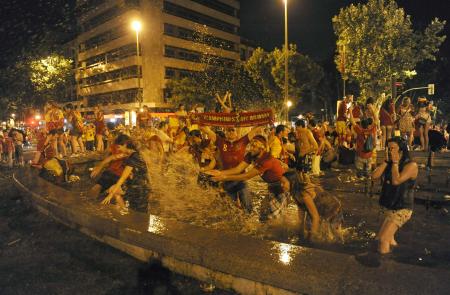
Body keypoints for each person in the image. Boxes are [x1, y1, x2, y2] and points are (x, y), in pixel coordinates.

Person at [208, 135, 290, 218]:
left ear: (262, 148)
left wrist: (224, 177)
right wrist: (220, 173)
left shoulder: (267, 160)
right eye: (251, 145)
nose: (251, 148)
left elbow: (246, 176)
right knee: (263, 216)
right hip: (272, 188)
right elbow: (238, 169)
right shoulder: (251, 155)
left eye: (254, 145)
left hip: (283, 188)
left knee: (272, 219)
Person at [201, 125, 264, 213]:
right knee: (231, 211)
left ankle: (249, 225)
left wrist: (264, 119)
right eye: (228, 130)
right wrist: (201, 123)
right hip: (227, 181)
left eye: (232, 130)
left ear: (236, 133)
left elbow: (255, 129)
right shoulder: (220, 142)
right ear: (226, 132)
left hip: (240, 179)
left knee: (248, 207)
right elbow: (207, 130)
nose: (230, 132)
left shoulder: (242, 141)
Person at [372, 137, 418, 254]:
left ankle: (385, 266)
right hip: (390, 205)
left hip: (402, 207)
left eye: (392, 148)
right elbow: (374, 176)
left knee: (383, 240)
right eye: (388, 148)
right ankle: (396, 254)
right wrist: (386, 162)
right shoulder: (390, 163)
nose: (389, 151)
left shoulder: (411, 165)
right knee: (383, 238)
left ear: (401, 150)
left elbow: (396, 181)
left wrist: (396, 163)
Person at [101, 135, 150, 213]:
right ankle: (125, 211)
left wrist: (110, 196)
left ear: (125, 145)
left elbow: (123, 177)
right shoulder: (132, 154)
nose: (118, 149)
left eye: (119, 147)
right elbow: (113, 157)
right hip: (135, 184)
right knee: (113, 189)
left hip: (140, 188)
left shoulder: (134, 157)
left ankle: (128, 214)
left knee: (139, 213)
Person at [349, 108, 377, 178]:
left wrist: (350, 111)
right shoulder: (371, 130)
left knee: (359, 174)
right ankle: (368, 186)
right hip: (369, 155)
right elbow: (376, 120)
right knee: (368, 174)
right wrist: (372, 110)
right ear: (368, 125)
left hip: (360, 155)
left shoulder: (359, 130)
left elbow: (352, 121)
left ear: (361, 125)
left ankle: (361, 185)